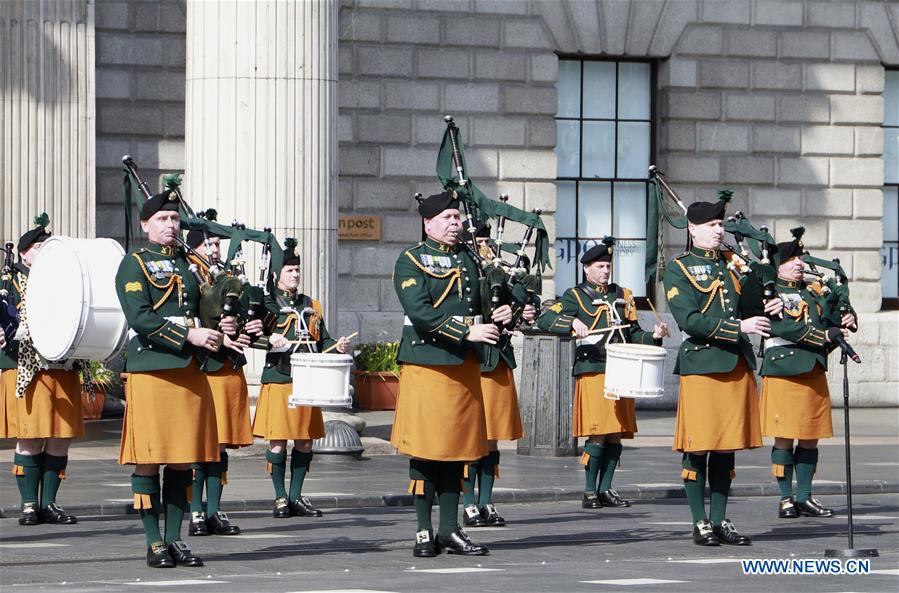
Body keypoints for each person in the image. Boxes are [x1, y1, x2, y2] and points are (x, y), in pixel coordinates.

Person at [391, 191, 512, 557]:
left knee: (457, 452)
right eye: (447, 217)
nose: (455, 223)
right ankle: (423, 531)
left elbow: (486, 302)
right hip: (428, 364)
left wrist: (503, 312)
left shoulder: (471, 258)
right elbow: (421, 311)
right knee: (427, 451)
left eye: (457, 217)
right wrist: (466, 331)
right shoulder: (411, 260)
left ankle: (449, 529)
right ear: (428, 223)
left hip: (464, 366)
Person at [663, 192, 782, 547]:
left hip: (735, 364)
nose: (719, 230)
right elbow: (689, 320)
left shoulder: (732, 263)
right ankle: (699, 521)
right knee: (699, 446)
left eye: (720, 225)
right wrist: (738, 327)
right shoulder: (680, 268)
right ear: (693, 229)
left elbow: (751, 306)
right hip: (703, 364)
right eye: (712, 225)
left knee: (725, 447)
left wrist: (767, 297)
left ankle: (720, 519)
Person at [116, 190, 228, 567]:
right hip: (152, 369)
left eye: (175, 219)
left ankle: (175, 539)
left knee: (182, 459)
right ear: (145, 224)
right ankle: (154, 543)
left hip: (189, 370)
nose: (170, 225)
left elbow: (202, 311)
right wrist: (188, 336)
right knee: (149, 459)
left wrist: (223, 324)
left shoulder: (188, 264)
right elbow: (140, 317)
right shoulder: (134, 264)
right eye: (162, 219)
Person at [537, 237, 667, 509]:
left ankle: (606, 488)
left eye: (608, 266)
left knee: (616, 432)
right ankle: (589, 492)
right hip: (594, 368)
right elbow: (545, 319)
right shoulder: (575, 296)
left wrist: (654, 336)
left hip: (622, 368)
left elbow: (633, 333)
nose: (606, 270)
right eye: (600, 266)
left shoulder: (623, 294)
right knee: (598, 431)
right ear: (586, 269)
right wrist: (572, 321)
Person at [251, 238, 350, 519]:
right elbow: (251, 337)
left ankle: (296, 496)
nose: (295, 274)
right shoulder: (267, 303)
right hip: (279, 377)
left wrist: (338, 346)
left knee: (305, 441)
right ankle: (280, 498)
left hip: (308, 380)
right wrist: (270, 340)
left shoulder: (311, 304)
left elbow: (323, 341)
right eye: (289, 270)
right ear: (277, 274)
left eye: (297, 270)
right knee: (278, 441)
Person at [759, 227, 854, 519]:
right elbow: (783, 326)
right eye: (792, 259)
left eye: (800, 258)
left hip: (813, 369)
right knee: (784, 437)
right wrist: (823, 336)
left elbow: (828, 323)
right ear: (778, 265)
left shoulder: (812, 292)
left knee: (811, 436)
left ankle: (804, 496)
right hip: (784, 371)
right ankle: (785, 498)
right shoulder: (770, 292)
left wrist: (845, 321)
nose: (799, 263)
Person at [184, 227, 263, 537]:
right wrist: (218, 336)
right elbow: (188, 319)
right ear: (195, 247)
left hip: (228, 369)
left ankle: (214, 510)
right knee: (199, 444)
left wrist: (248, 328)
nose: (216, 250)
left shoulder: (229, 278)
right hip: (202, 368)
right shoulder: (188, 277)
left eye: (218, 244)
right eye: (210, 244)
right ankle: (195, 511)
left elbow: (244, 319)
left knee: (219, 446)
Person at [460, 222, 537, 528]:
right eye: (477, 240)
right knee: (470, 437)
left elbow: (524, 307)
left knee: (491, 438)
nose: (484, 246)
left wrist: (517, 310)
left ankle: (486, 502)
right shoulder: (461, 270)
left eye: (486, 240)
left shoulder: (502, 270)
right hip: (470, 359)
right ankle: (468, 503)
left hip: (497, 358)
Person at [10, 214, 83, 526]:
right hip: (29, 369)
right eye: (39, 247)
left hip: (64, 366)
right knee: (30, 436)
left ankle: (49, 503)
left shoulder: (66, 280)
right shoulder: (10, 281)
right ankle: (29, 504)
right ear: (24, 253)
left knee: (60, 437)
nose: (44, 252)